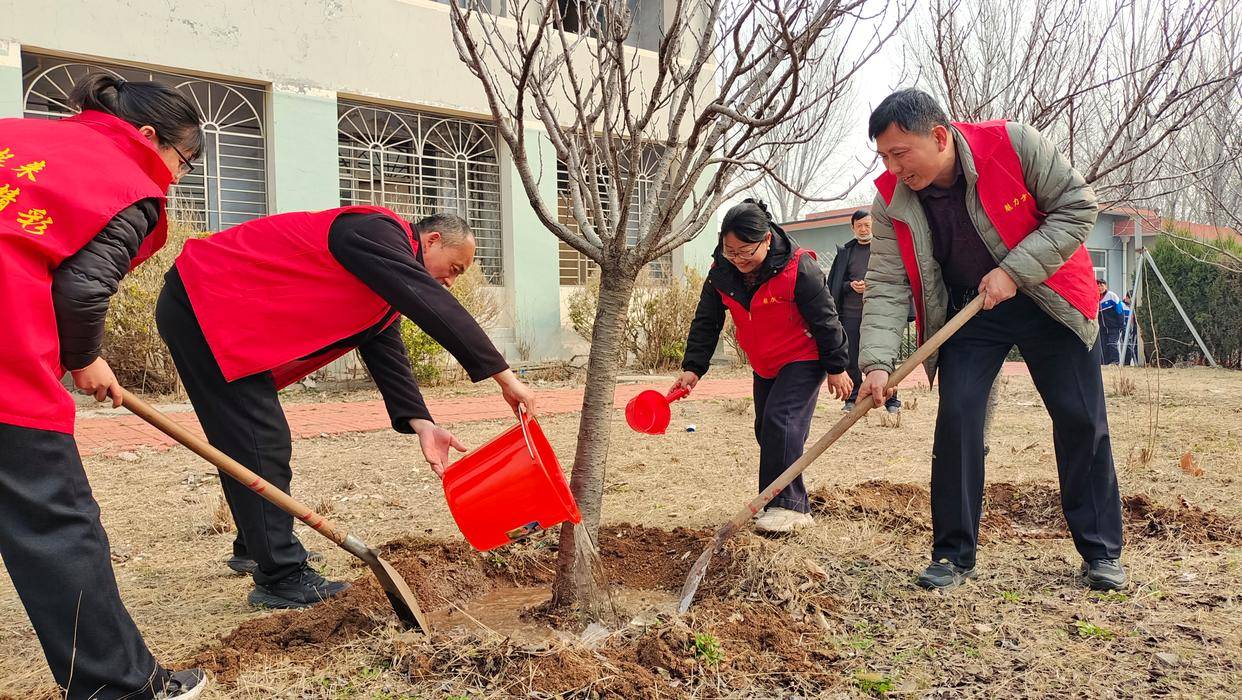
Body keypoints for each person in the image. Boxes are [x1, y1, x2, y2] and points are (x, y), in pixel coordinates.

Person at [156, 208, 536, 610]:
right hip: (205, 302)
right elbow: (430, 302)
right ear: (432, 240)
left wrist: (422, 423)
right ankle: (280, 576)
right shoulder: (373, 231)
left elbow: (387, 351)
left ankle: (257, 544)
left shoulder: (380, 278)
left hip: (215, 312)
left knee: (246, 437)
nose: (451, 282)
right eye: (455, 268)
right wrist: (504, 377)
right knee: (259, 437)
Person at [857, 89, 1126, 592]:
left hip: (1048, 294)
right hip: (969, 309)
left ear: (938, 137)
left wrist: (1014, 272)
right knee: (957, 416)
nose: (894, 168)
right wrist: (875, 362)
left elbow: (1077, 206)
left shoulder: (1012, 144)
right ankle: (952, 555)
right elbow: (889, 281)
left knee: (1079, 416)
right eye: (884, 157)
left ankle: (1101, 552)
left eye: (901, 153)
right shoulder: (891, 199)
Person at [0, 75, 208, 699]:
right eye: (183, 159)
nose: (177, 175)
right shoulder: (127, 185)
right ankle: (116, 685)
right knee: (55, 523)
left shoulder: (16, 136)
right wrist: (85, 356)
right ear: (149, 139)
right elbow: (83, 289)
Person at [674, 199, 852, 533]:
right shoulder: (721, 272)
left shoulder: (799, 267)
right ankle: (782, 504)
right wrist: (693, 367)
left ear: (767, 240)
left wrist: (837, 366)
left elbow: (826, 318)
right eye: (730, 251)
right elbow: (706, 320)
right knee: (766, 430)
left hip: (803, 355)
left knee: (780, 423)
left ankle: (788, 507)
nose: (738, 260)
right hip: (765, 361)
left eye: (745, 251)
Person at [827, 209, 902, 413]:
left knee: (884, 357)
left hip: (880, 313)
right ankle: (852, 398)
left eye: (867, 225)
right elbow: (834, 284)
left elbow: (895, 280)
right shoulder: (845, 253)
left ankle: (891, 399)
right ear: (853, 228)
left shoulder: (885, 250)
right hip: (851, 313)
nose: (863, 229)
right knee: (850, 357)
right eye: (859, 225)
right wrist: (850, 285)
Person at [1097, 279, 1125, 364]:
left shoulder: (1111, 296)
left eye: (1102, 285)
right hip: (1102, 328)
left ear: (1105, 286)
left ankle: (1115, 362)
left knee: (1112, 344)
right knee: (1103, 346)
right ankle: (1105, 363)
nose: (1100, 288)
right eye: (1098, 286)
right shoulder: (1095, 298)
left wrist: (1121, 324)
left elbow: (1119, 310)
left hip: (1113, 326)